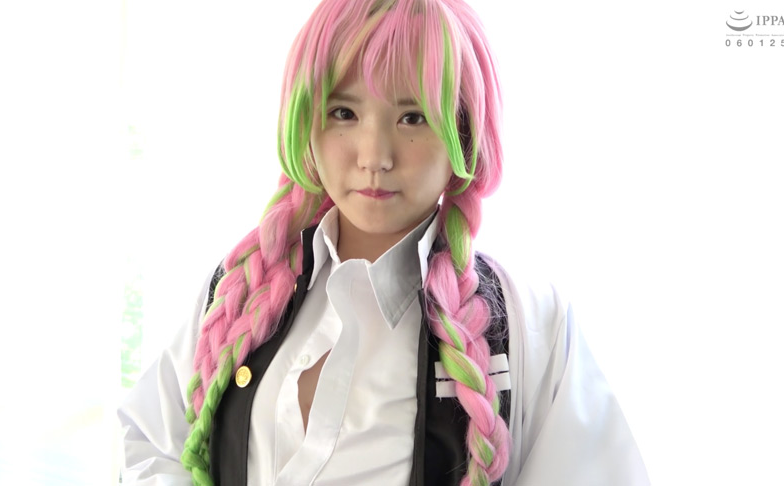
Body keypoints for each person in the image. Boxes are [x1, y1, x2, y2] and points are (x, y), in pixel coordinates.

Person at [118, 0, 650, 484]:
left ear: (464, 131)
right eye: (344, 113)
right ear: (305, 122)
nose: (375, 156)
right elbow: (150, 445)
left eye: (412, 117)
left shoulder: (529, 321)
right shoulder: (240, 289)